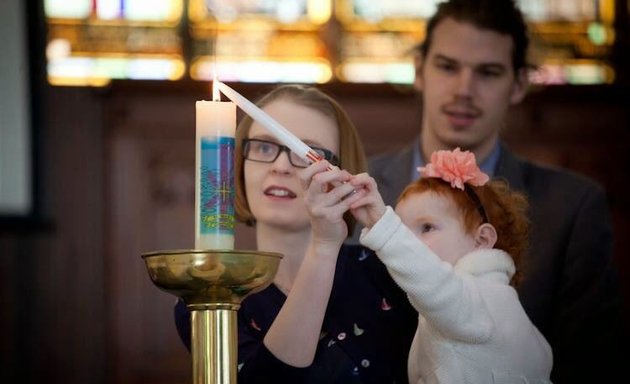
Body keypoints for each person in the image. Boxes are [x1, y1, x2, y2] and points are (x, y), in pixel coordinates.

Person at [360, 0, 624, 382]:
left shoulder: (572, 207)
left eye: (488, 72)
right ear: (419, 70)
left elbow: (593, 364)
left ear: (518, 84)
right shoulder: (361, 188)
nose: (464, 89)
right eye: (448, 66)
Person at [174, 84, 417, 383]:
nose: (280, 167)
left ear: (343, 174)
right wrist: (323, 247)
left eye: (306, 153)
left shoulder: (390, 273)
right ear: (238, 163)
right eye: (264, 147)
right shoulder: (208, 296)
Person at [311, 147, 553, 383]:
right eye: (404, 231)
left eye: (426, 228)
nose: (411, 242)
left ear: (482, 240)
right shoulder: (488, 301)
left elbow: (436, 285)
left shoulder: (486, 297)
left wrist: (382, 224)